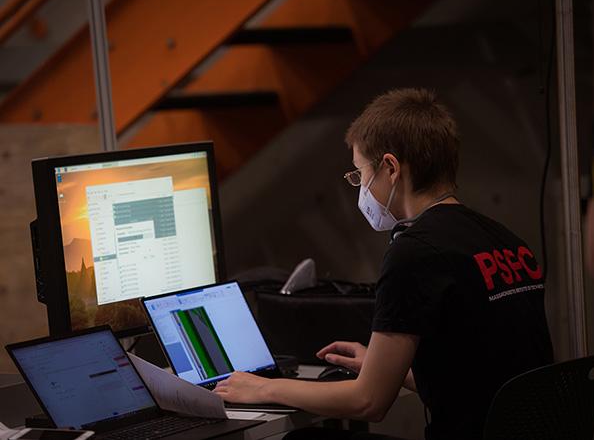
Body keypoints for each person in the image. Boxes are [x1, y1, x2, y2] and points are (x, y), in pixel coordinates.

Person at [214, 88, 554, 440]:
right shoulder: (505, 239)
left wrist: (264, 389)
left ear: (390, 168)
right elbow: (479, 385)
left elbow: (368, 403)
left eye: (360, 174)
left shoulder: (415, 252)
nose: (360, 188)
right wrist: (383, 368)